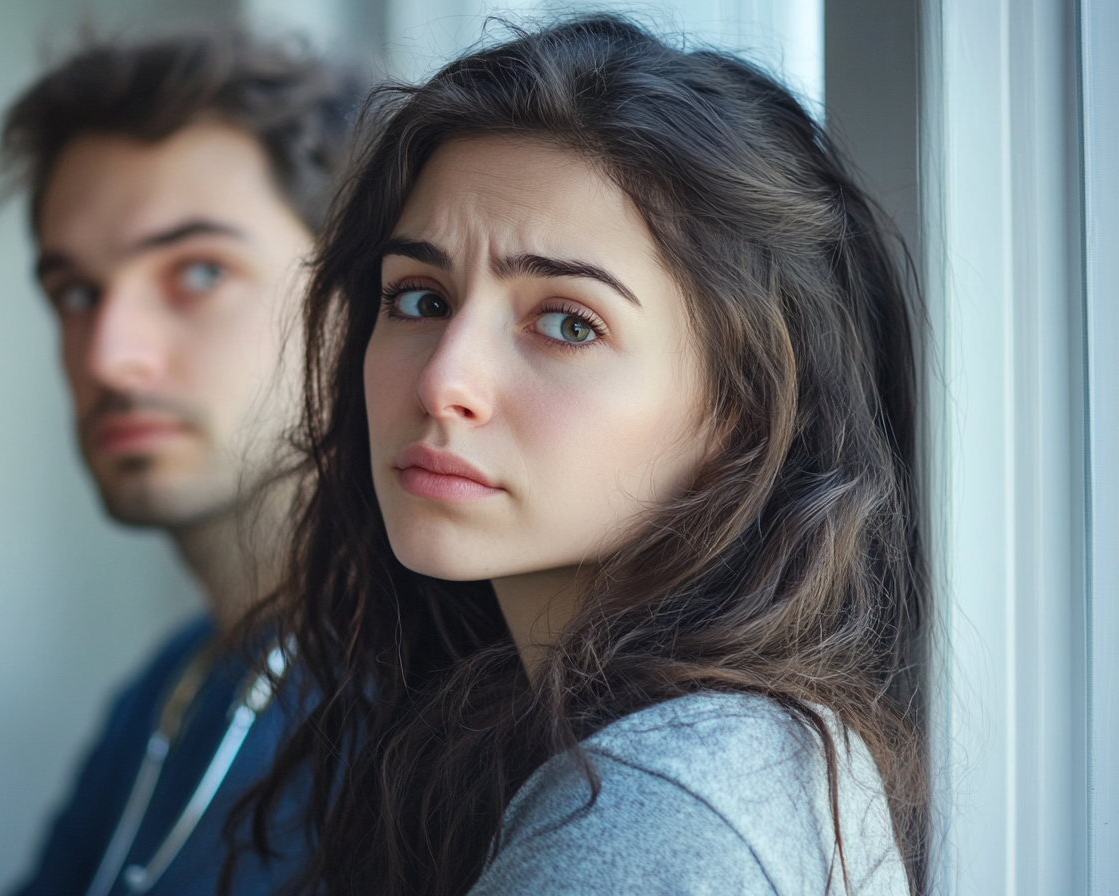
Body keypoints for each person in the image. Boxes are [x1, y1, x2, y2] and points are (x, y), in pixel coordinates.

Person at [227, 15, 927, 896]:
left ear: (744, 414)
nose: (445, 381)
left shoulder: (660, 807)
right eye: (419, 299)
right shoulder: (562, 747)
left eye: (566, 323)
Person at [0, 29, 364, 896]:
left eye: (197, 272)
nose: (110, 357)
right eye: (77, 293)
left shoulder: (447, 728)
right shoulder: (165, 692)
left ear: (351, 309)